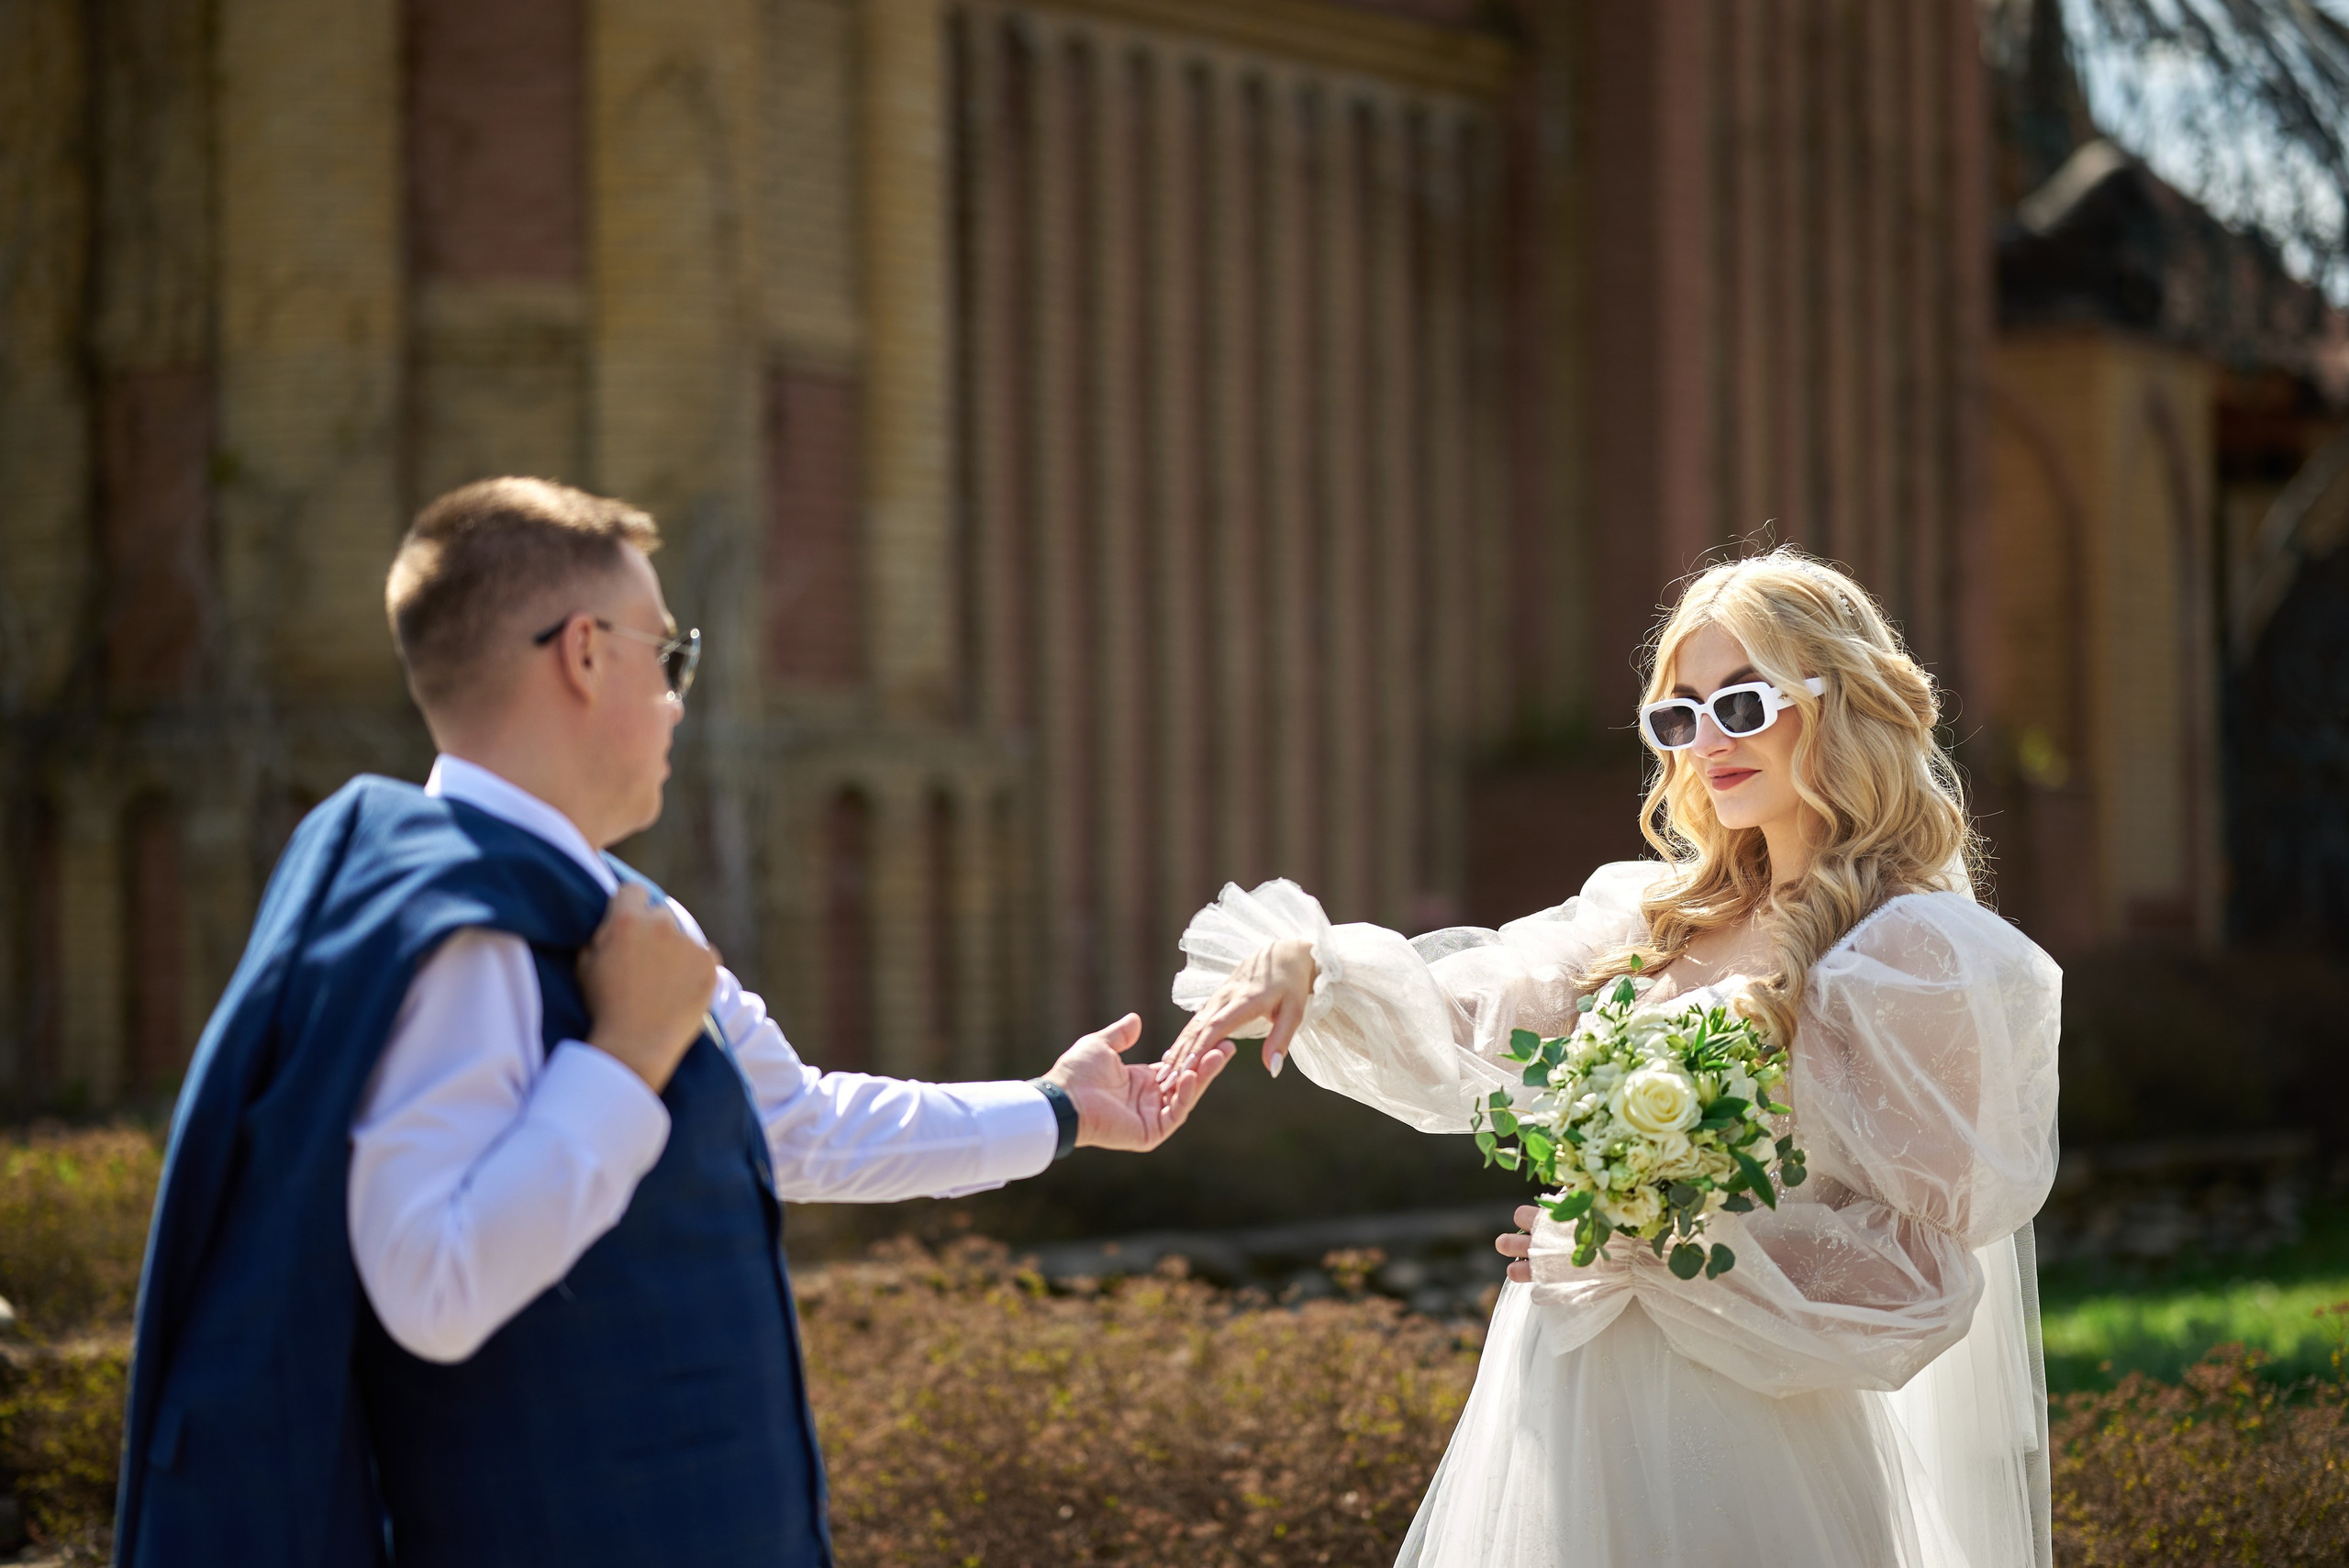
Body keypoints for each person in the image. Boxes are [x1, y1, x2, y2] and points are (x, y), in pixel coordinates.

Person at [115, 477, 1236, 1568]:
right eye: (672, 656)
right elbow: (434, 1283)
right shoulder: (461, 927)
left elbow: (794, 1126)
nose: (679, 699)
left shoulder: (619, 911)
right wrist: (623, 1058)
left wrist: (1058, 1111)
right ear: (585, 653)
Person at [1163, 550, 2061, 1568]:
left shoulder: (1914, 955)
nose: (1706, 741)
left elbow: (1926, 1265)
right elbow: (1471, 1007)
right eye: (1678, 715)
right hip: (1559, 1394)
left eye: (1740, 701)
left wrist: (1656, 1250)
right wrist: (1318, 965)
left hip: (1751, 1434)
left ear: (1840, 700)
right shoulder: (1646, 916)